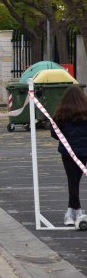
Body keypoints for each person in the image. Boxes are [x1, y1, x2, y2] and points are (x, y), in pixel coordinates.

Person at [51, 85, 87, 226]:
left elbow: (54, 133)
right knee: (75, 181)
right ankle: (73, 211)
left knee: (72, 181)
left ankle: (73, 212)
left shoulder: (61, 114)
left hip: (68, 153)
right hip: (84, 152)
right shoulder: (85, 113)